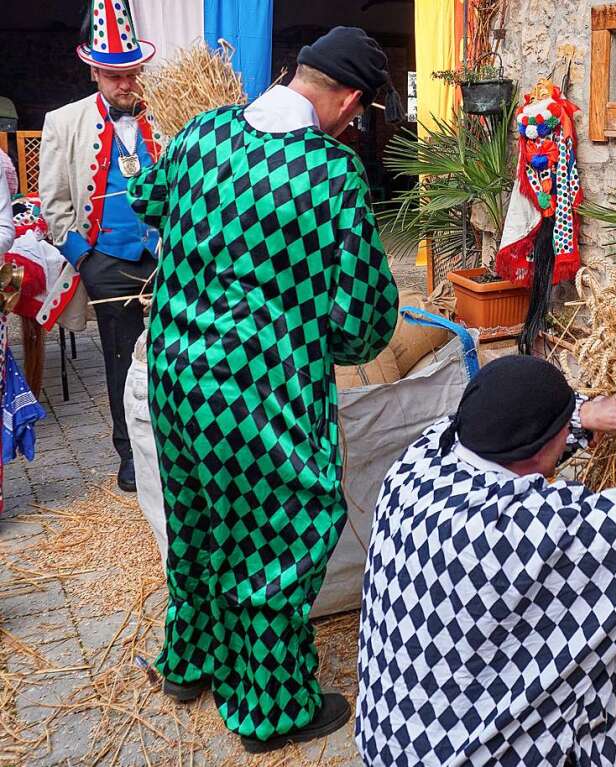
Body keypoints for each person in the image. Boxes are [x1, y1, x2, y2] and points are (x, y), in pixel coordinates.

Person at [127, 27, 399, 753]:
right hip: (261, 387)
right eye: (357, 112)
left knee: (196, 518)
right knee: (283, 530)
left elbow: (147, 197)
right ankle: (271, 705)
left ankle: (190, 661)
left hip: (175, 371)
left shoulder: (203, 132)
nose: (351, 124)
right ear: (347, 98)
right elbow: (366, 323)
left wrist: (208, 246)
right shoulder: (331, 174)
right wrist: (310, 330)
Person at [357, 355, 616, 766]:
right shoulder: (525, 532)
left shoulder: (416, 464)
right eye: (563, 427)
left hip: (394, 739)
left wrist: (582, 415)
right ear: (539, 446)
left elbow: (481, 429)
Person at [39, 0, 162, 492]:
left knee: (173, 358)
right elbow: (53, 201)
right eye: (113, 74)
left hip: (167, 258)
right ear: (93, 71)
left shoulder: (167, 115)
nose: (125, 83)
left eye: (131, 72)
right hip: (106, 261)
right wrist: (83, 258)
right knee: (119, 361)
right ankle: (129, 454)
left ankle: (171, 450)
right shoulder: (63, 121)